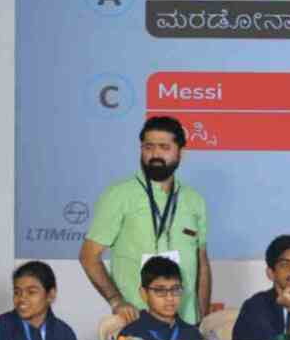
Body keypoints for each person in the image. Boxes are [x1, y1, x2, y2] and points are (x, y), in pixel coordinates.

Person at [81, 116, 211, 327]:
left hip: (186, 324)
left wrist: (202, 320)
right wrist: (116, 301)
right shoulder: (118, 195)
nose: (155, 154)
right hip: (135, 324)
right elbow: (89, 256)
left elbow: (202, 264)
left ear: (181, 152)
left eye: (164, 147)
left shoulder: (194, 200)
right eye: (148, 147)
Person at [120, 256, 204, 340]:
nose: (170, 298)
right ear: (144, 293)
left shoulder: (192, 334)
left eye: (175, 289)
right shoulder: (131, 334)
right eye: (160, 290)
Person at [0, 261, 78, 340]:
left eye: (31, 292)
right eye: (17, 292)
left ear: (50, 295)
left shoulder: (65, 334)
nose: (22, 298)